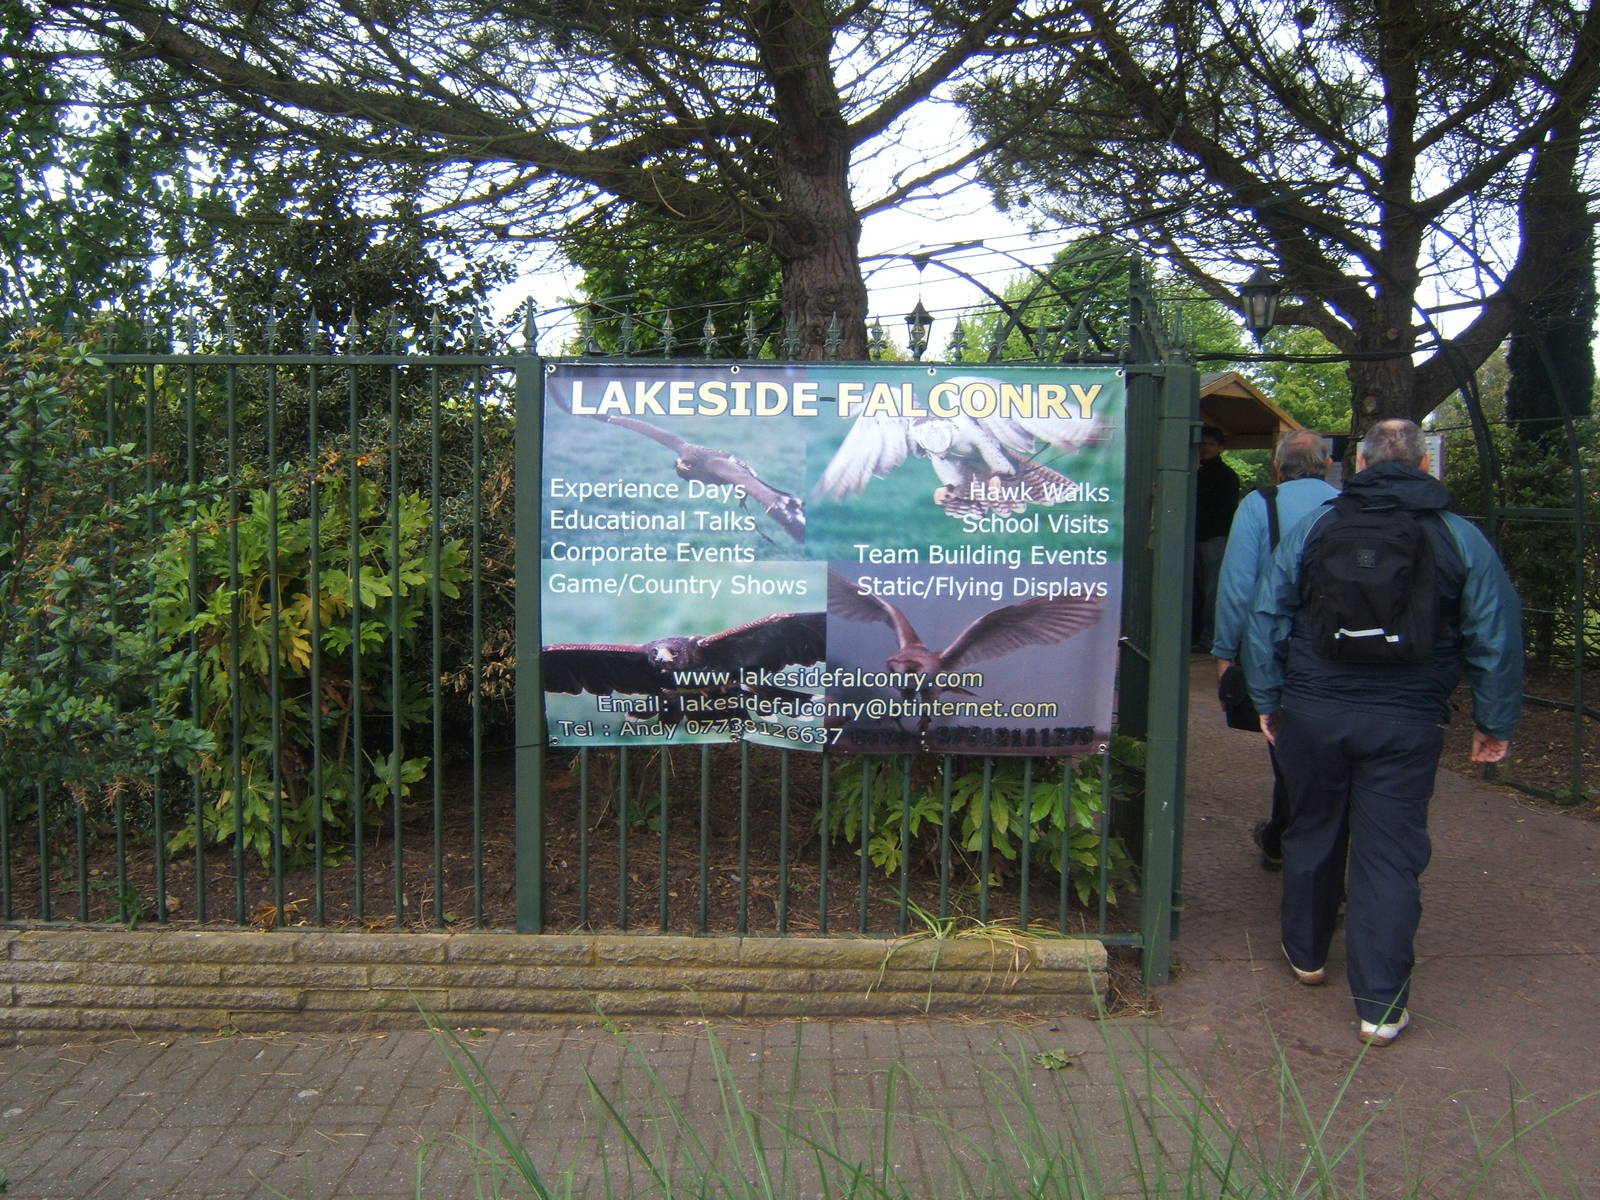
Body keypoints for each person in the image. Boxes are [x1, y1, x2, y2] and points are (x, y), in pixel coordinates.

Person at [1242, 419, 1522, 1047]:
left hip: (1314, 709)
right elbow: (1494, 631)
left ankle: (1306, 953)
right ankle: (1380, 1004)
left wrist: (1268, 696)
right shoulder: (1458, 536)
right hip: (1407, 717)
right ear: (1426, 466)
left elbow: (1268, 610)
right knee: (1389, 854)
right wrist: (1494, 720)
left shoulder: (1317, 526)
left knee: (1312, 828)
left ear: (1359, 464)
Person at [1211, 430, 1338, 870]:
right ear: (1326, 464)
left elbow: (1237, 586)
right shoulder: (1347, 505)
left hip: (1280, 650)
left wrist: (1226, 651)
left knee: (1284, 743)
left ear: (1276, 467)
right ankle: (1299, 836)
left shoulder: (1260, 506)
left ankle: (1287, 837)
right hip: (1339, 651)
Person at [1193, 425, 1240, 651]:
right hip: (1196, 540)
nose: (1205, 447)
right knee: (1197, 590)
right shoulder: (1194, 473)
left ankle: (1209, 638)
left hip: (1214, 540)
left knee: (1212, 592)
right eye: (1203, 443)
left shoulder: (1227, 476)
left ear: (1220, 448)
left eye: (1211, 444)